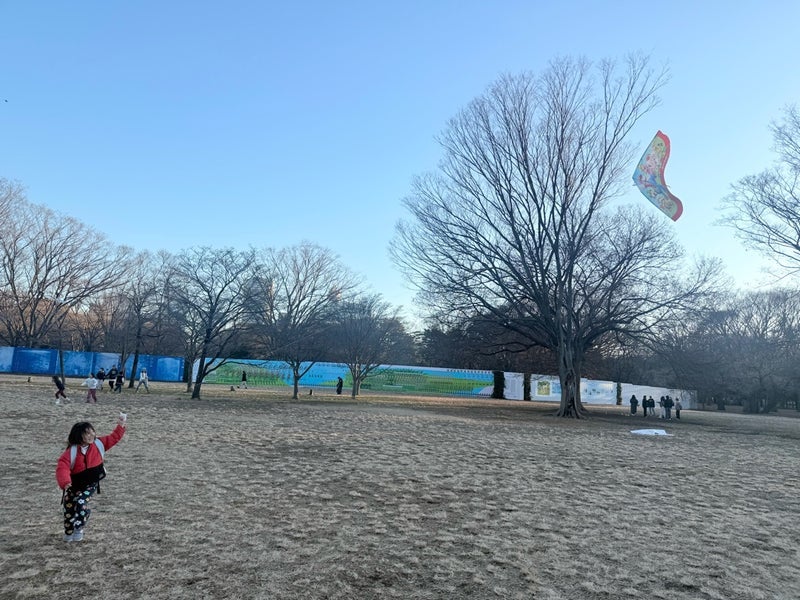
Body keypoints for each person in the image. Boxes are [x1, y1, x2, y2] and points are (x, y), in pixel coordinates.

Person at [55, 416, 127, 542]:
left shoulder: (99, 444)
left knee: (81, 503)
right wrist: (65, 482)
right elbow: (62, 467)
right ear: (78, 436)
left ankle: (79, 528)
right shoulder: (71, 452)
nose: (91, 435)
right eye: (87, 433)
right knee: (68, 508)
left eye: (92, 431)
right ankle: (68, 532)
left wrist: (120, 426)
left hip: (90, 484)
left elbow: (114, 437)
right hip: (73, 486)